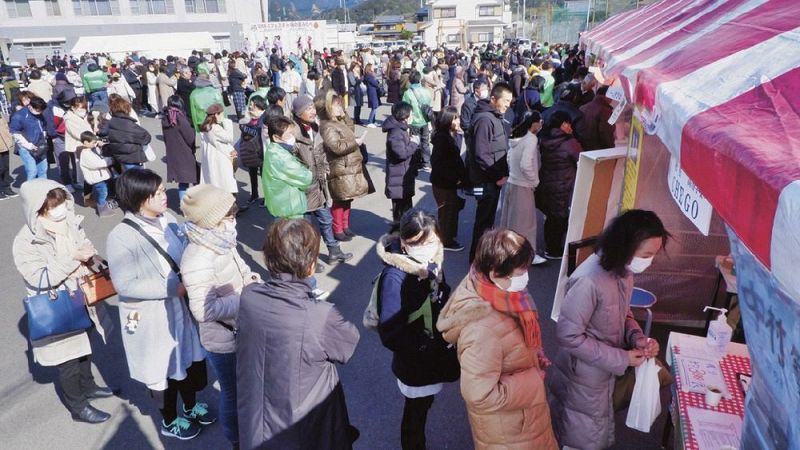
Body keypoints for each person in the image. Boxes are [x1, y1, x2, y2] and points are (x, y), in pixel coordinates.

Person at [548, 210, 669, 450]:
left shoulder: (622, 270)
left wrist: (638, 338)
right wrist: (621, 357)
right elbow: (568, 336)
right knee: (579, 438)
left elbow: (623, 313)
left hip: (600, 372)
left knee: (594, 431)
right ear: (625, 245)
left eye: (654, 255)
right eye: (646, 255)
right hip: (583, 377)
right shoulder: (589, 280)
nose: (649, 261)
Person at [106, 169, 212, 440]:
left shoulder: (169, 220)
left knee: (186, 361)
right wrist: (169, 288)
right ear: (139, 198)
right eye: (158, 193)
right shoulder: (121, 235)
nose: (164, 197)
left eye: (164, 191)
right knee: (164, 369)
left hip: (181, 308)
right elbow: (124, 283)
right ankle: (169, 420)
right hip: (154, 315)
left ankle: (189, 407)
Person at [237, 219, 360, 449]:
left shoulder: (249, 297)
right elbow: (348, 344)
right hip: (305, 427)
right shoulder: (319, 314)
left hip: (256, 421)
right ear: (310, 265)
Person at [436, 228, 558, 449]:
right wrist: (532, 379)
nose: (526, 277)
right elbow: (480, 396)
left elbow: (511, 343)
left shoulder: (501, 291)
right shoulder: (482, 330)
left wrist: (532, 355)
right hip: (510, 431)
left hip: (520, 419)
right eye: (521, 272)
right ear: (495, 273)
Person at [13, 180, 117, 424]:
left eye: (61, 201)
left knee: (86, 349)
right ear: (37, 209)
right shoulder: (25, 241)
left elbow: (82, 248)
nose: (60, 208)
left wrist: (90, 254)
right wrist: (73, 258)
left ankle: (89, 386)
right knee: (68, 361)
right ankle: (78, 407)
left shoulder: (68, 222)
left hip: (84, 297)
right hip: (58, 305)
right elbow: (38, 278)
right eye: (53, 205)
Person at [180, 184, 261, 449]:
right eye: (229, 215)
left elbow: (241, 267)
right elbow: (203, 310)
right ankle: (236, 440)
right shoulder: (198, 257)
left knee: (248, 388)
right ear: (212, 220)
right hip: (223, 338)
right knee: (233, 394)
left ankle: (251, 432)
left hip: (241, 325)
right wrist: (244, 296)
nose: (234, 219)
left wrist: (251, 279)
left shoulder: (221, 241)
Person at [376, 209, 460, 450]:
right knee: (415, 414)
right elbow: (391, 333)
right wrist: (427, 346)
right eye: (418, 243)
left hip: (432, 353)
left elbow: (439, 291)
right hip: (416, 359)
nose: (427, 247)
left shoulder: (430, 259)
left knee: (423, 404)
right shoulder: (394, 277)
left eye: (432, 241)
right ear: (404, 242)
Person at [291, 95, 353, 264]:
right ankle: (309, 259)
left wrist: (325, 169)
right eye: (307, 109)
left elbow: (322, 153)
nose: (312, 112)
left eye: (312, 107)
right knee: (307, 227)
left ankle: (334, 251)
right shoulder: (293, 134)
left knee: (326, 220)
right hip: (304, 188)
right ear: (298, 113)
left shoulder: (315, 128)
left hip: (319, 185)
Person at [467, 82, 513, 261]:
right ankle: (477, 262)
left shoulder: (493, 117)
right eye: (506, 100)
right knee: (483, 224)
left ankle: (481, 259)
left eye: (510, 101)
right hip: (487, 181)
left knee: (487, 223)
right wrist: (498, 176)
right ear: (493, 99)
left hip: (491, 180)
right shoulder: (485, 119)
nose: (508, 104)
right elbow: (481, 154)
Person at [317, 89, 369, 242]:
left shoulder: (338, 121)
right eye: (336, 105)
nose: (339, 107)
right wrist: (355, 143)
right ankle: (337, 228)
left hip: (350, 165)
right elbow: (336, 147)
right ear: (328, 107)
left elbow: (350, 127)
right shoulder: (327, 126)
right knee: (340, 199)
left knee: (348, 198)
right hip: (340, 166)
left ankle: (345, 226)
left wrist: (344, 113)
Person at [500, 112, 547, 265]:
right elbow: (526, 164)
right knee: (526, 224)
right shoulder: (531, 140)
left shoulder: (515, 137)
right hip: (524, 185)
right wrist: (535, 181)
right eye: (540, 122)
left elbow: (509, 158)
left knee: (511, 222)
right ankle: (527, 255)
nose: (541, 125)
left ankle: (509, 252)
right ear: (534, 123)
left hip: (512, 183)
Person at [537, 111, 582, 258]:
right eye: (568, 123)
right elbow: (581, 160)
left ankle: (550, 246)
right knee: (561, 217)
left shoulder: (545, 138)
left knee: (552, 215)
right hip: (564, 184)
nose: (570, 126)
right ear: (561, 124)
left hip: (547, 182)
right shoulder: (569, 143)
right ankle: (554, 250)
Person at [430, 106, 466, 252]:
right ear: (447, 120)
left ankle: (449, 237)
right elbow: (437, 164)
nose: (458, 121)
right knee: (446, 212)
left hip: (449, 182)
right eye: (455, 118)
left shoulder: (451, 135)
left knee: (452, 210)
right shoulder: (442, 138)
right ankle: (446, 241)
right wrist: (454, 179)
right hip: (443, 184)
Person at [261, 115, 312, 219]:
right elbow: (305, 178)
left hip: (281, 206)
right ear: (276, 137)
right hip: (289, 210)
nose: (293, 137)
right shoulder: (281, 158)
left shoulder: (274, 150)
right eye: (289, 135)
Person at [382, 101, 420, 223]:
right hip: (398, 178)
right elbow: (401, 153)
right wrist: (414, 143)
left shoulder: (401, 129)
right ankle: (398, 237)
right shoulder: (396, 132)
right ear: (405, 116)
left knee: (406, 212)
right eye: (411, 114)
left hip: (403, 176)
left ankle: (403, 235)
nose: (412, 116)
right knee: (401, 214)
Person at [161, 95, 198, 202]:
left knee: (182, 182)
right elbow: (190, 137)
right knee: (191, 178)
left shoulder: (166, 117)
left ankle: (183, 206)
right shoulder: (180, 117)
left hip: (173, 153)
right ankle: (194, 204)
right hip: (184, 153)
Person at [199, 103, 238, 194]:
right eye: (222, 114)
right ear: (216, 114)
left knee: (217, 184)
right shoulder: (214, 128)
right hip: (220, 159)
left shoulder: (206, 127)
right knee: (226, 184)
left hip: (212, 159)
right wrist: (227, 122)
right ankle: (230, 207)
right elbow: (229, 138)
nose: (222, 116)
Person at [105, 96, 151, 171]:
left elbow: (103, 132)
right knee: (137, 180)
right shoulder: (129, 124)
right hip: (132, 158)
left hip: (120, 157)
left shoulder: (111, 121)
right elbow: (146, 137)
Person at [9, 96, 49, 181]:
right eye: (38, 110)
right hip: (25, 147)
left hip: (39, 145)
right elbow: (15, 133)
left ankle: (43, 189)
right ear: (30, 107)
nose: (40, 112)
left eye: (41, 110)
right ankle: (30, 190)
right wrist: (28, 145)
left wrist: (44, 139)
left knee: (43, 169)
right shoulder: (19, 116)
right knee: (32, 171)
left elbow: (43, 127)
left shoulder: (40, 115)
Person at [77, 131, 116, 217]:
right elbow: (97, 164)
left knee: (103, 191)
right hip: (96, 178)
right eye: (93, 142)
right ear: (86, 142)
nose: (95, 144)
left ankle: (103, 205)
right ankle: (102, 208)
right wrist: (110, 160)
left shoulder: (90, 150)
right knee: (103, 192)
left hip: (100, 176)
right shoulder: (85, 154)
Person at [238, 96, 267, 204]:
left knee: (264, 175)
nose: (250, 106)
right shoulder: (247, 118)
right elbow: (242, 131)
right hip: (250, 151)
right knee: (252, 173)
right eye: (250, 104)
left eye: (253, 104)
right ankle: (254, 194)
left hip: (261, 151)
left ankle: (267, 198)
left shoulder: (264, 118)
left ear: (259, 106)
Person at [401, 71, 433, 168]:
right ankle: (426, 162)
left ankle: (417, 161)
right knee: (425, 141)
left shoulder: (407, 93)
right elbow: (429, 104)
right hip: (425, 120)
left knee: (415, 141)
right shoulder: (426, 91)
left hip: (414, 121)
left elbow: (405, 108)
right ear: (419, 79)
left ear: (410, 80)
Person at [577, 84, 616, 151]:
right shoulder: (605, 111)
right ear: (607, 96)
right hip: (598, 151)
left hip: (582, 149)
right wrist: (611, 148)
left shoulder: (582, 108)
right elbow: (606, 133)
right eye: (612, 97)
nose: (612, 100)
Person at [0, 111, 17, 199]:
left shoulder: (1, 114)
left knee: (6, 167)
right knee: (1, 168)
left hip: (5, 144)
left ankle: (7, 188)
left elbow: (6, 127)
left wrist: (9, 138)